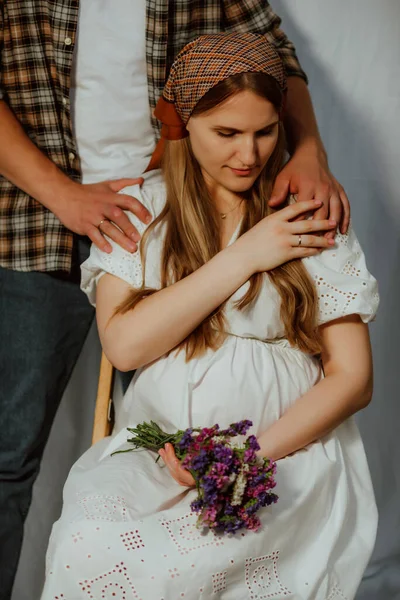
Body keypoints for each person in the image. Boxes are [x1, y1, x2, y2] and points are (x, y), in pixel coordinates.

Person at [0, 3, 351, 596]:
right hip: (61, 212)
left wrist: (309, 149)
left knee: (197, 529)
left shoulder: (288, 211)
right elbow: (129, 346)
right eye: (232, 134)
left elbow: (275, 60)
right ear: (188, 120)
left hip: (184, 192)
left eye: (263, 134)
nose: (251, 151)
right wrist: (63, 194)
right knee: (10, 452)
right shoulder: (152, 215)